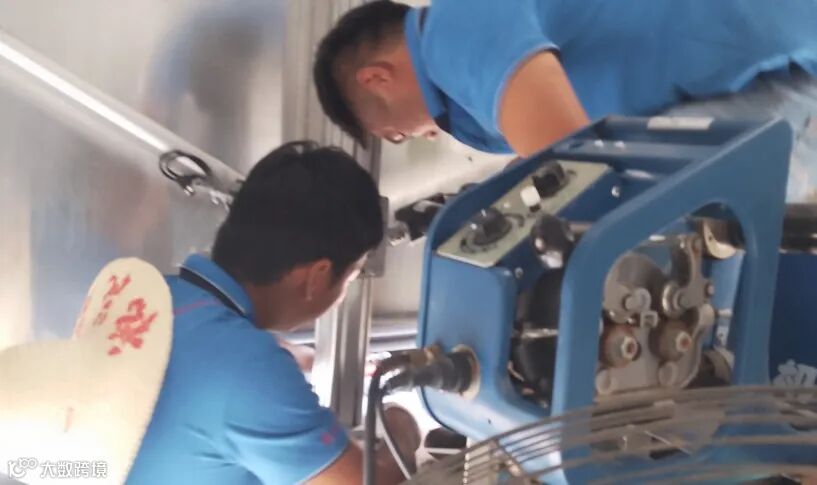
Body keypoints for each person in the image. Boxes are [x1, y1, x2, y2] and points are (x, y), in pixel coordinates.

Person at [313, 0, 817, 201]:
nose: (415, 136)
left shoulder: (451, 31)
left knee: (675, 220)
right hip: (765, 72)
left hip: (783, 56)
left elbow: (575, 174)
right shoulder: (470, 85)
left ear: (377, 79)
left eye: (394, 134)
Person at [127, 141, 416, 484]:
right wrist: (402, 428)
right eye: (351, 278)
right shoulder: (248, 367)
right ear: (316, 277)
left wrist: (284, 353)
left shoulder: (153, 295)